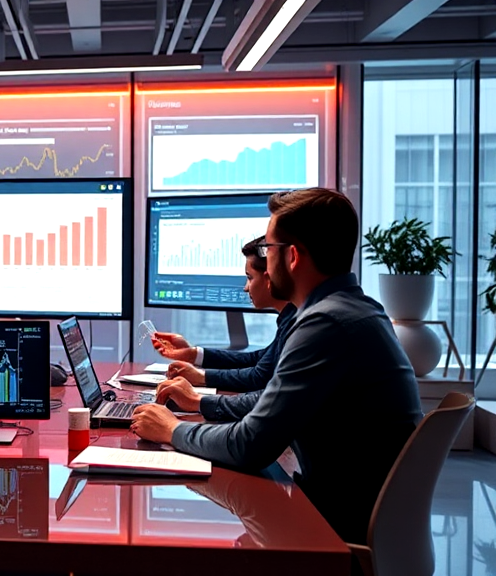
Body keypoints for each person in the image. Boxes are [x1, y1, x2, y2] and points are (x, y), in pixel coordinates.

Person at [132, 187, 422, 544]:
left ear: (293, 256)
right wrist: (200, 404)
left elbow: (251, 444)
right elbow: (271, 401)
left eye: (269, 249)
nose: (265, 262)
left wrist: (172, 430)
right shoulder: (356, 310)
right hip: (352, 517)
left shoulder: (326, 324)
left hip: (332, 533)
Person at [157, 235, 296, 393]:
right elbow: (258, 360)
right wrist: (193, 354)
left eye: (249, 278)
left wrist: (199, 386)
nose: (245, 288)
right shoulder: (289, 317)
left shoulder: (297, 320)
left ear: (269, 277)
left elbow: (260, 377)